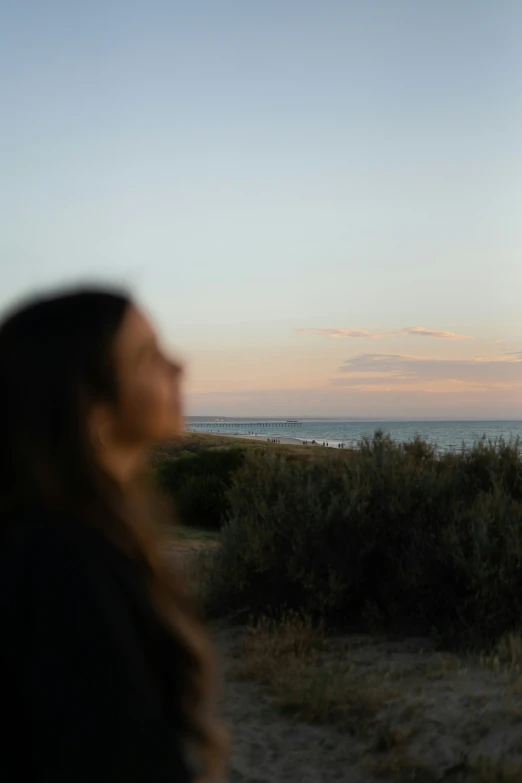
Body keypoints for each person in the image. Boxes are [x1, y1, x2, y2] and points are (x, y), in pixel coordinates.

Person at [0, 288, 228, 782]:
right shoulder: (61, 566)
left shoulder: (74, 540)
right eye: (149, 357)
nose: (178, 366)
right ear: (92, 407)